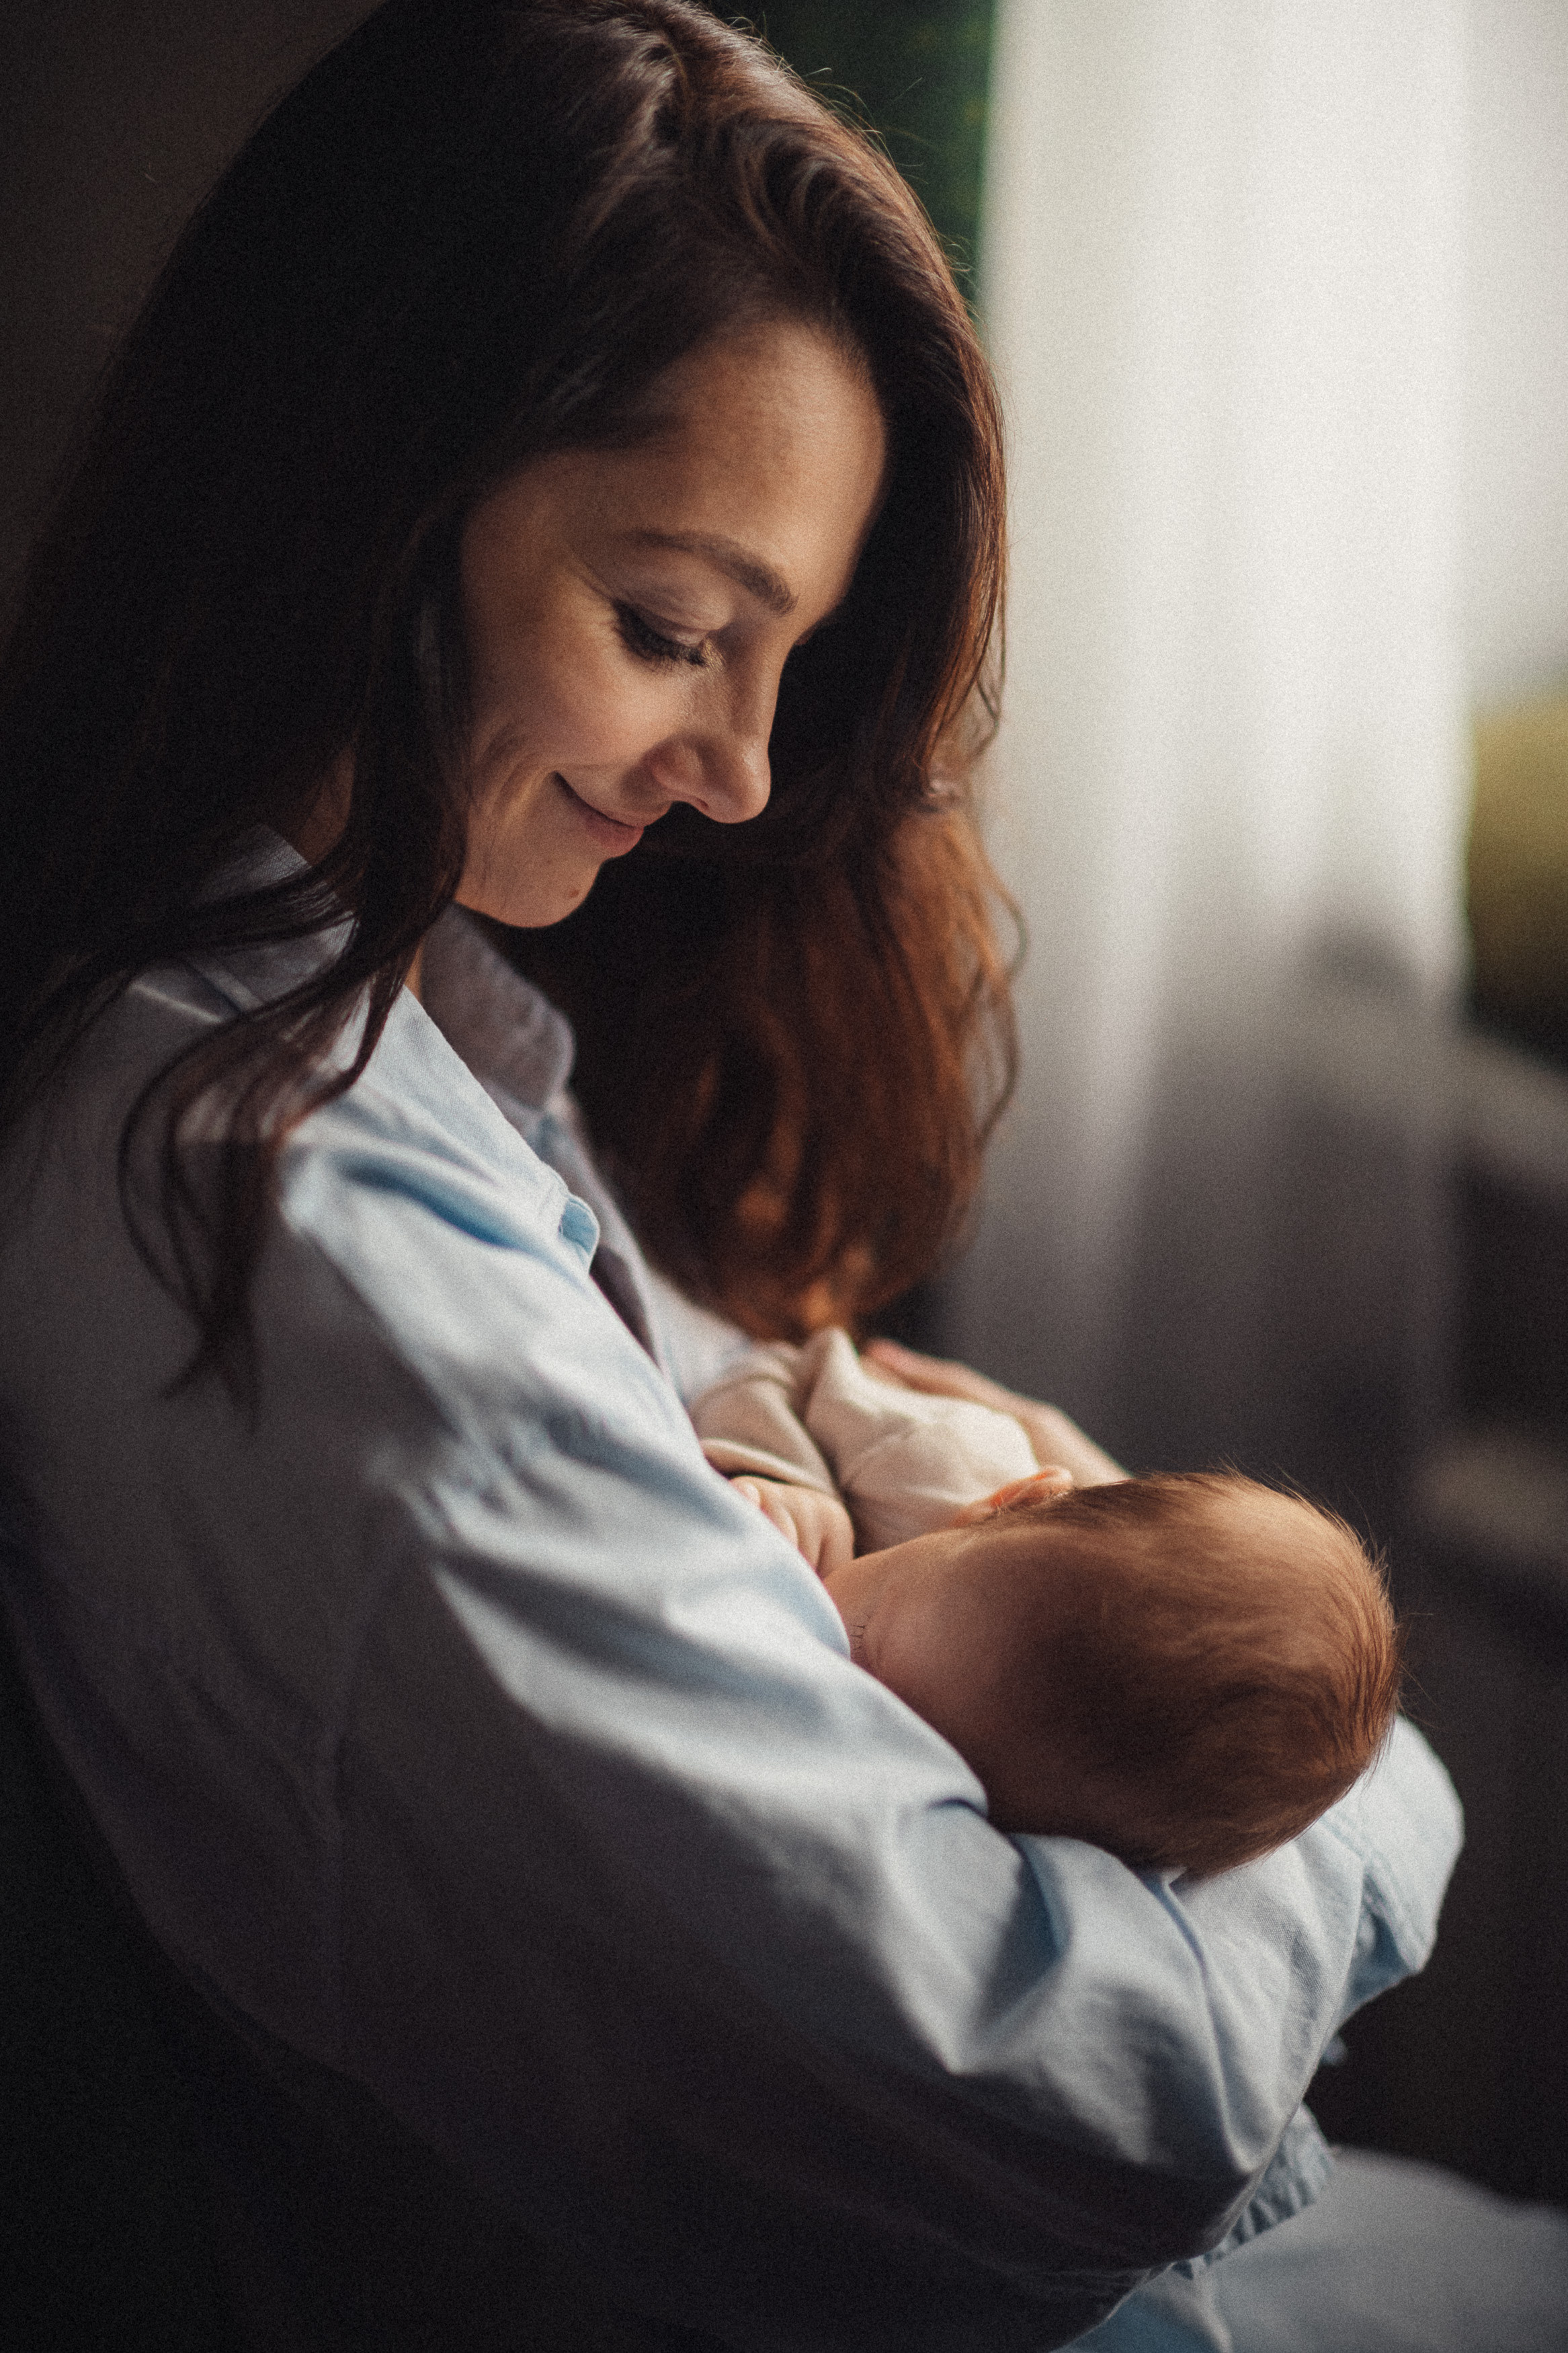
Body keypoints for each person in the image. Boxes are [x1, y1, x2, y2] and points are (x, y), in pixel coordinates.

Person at [0, 3, 1469, 2347]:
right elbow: (1084, 2101)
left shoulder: (392, 1043)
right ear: (363, 500)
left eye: (781, 658)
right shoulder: (309, 1257)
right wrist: (1379, 1780)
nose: (753, 773)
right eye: (676, 630)